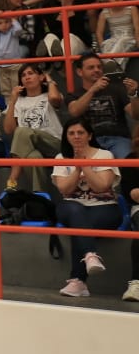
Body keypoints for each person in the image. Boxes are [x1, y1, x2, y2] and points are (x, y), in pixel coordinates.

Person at [53, 119, 122, 299]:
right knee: (75, 211)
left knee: (81, 226)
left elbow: (101, 186)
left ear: (90, 135)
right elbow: (65, 189)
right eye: (71, 133)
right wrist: (76, 169)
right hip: (71, 207)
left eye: (80, 133)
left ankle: (78, 281)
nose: (76, 137)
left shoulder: (104, 155)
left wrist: (84, 164)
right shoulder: (61, 158)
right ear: (66, 136)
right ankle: (90, 255)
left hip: (104, 207)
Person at [2, 63, 65, 193]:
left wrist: (49, 80)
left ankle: (12, 180)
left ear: (41, 77)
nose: (27, 77)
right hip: (31, 147)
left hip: (54, 144)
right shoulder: (19, 101)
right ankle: (40, 196)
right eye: (23, 75)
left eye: (31, 73)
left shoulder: (50, 94)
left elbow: (55, 98)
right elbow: (8, 130)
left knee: (22, 131)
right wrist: (12, 101)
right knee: (33, 158)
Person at [65, 53, 139, 157]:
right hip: (90, 141)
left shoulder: (116, 89)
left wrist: (133, 95)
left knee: (128, 163)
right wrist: (93, 90)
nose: (96, 70)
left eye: (99, 67)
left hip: (118, 139)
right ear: (79, 72)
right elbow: (74, 111)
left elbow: (135, 115)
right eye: (91, 67)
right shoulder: (74, 95)